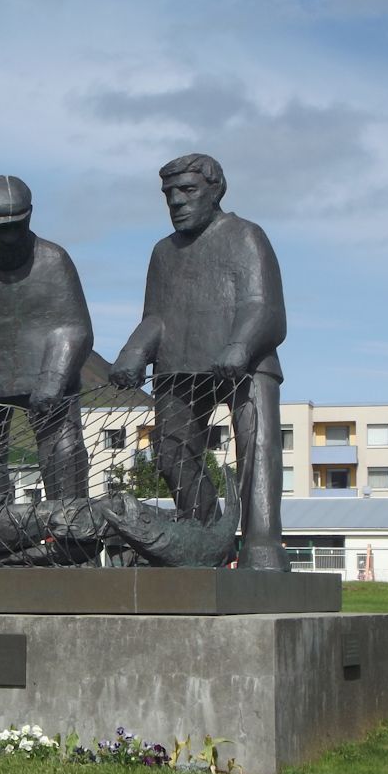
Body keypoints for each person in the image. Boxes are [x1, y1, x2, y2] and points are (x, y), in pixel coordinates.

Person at [110, 154, 287, 570]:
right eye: (169, 194)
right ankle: (207, 537)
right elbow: (155, 316)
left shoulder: (246, 236)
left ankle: (263, 547)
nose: (176, 201)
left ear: (216, 190)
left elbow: (265, 309)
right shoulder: (162, 253)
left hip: (243, 364)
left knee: (257, 447)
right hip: (178, 366)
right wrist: (133, 354)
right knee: (171, 456)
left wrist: (240, 347)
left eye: (187, 190)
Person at [0, 175, 92, 502]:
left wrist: (52, 379)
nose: (8, 238)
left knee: (64, 452)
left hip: (48, 383)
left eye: (16, 226)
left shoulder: (54, 260)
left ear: (30, 215)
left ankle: (73, 540)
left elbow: (75, 328)